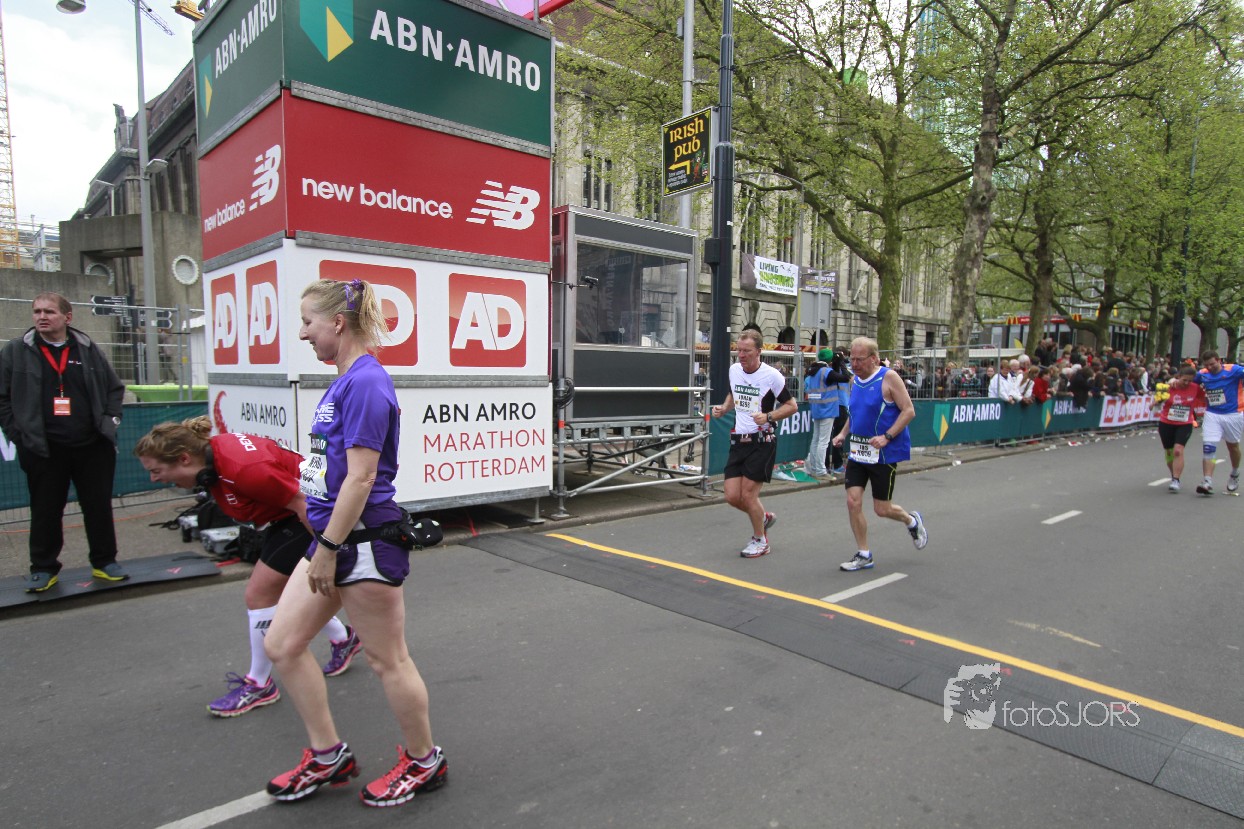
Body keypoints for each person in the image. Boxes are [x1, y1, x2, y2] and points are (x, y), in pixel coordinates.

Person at [263, 278, 447, 807]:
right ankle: (328, 756)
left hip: (359, 541)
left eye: (308, 322)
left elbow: (362, 477)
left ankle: (424, 762)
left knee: (389, 661)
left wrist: (327, 549)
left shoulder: (366, 382)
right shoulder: (345, 381)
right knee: (282, 645)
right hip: (331, 539)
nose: (303, 334)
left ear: (338, 323)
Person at [135, 417, 363, 717]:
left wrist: (328, 553)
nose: (154, 479)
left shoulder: (244, 468)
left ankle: (259, 684)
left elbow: (302, 502)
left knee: (260, 595)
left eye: (156, 471)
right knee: (283, 594)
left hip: (308, 513)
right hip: (286, 515)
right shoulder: (214, 458)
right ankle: (343, 638)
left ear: (184, 459)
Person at [0, 292, 127, 593]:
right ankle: (43, 568)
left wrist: (108, 424)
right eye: (37, 312)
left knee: (98, 506)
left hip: (92, 446)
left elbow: (114, 389)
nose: (42, 317)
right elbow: (2, 397)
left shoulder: (87, 348)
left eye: (49, 312)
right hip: (43, 448)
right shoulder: (16, 351)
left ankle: (105, 561)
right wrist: (20, 434)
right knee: (45, 510)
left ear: (67, 317)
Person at [831, 337, 928, 572]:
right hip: (858, 452)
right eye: (851, 359)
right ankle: (864, 554)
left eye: (859, 359)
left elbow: (908, 411)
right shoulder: (855, 380)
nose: (854, 364)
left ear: (874, 358)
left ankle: (911, 521)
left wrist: (887, 436)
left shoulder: (889, 378)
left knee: (882, 509)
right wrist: (843, 433)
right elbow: (855, 413)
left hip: (884, 454)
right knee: (853, 501)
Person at [711, 329, 798, 558]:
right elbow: (734, 394)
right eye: (738, 350)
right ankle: (762, 517)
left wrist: (769, 416)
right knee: (732, 496)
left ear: (759, 351)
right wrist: (724, 408)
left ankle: (760, 540)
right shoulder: (734, 370)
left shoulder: (772, 376)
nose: (741, 355)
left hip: (762, 441)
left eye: (746, 351)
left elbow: (792, 406)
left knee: (748, 495)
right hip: (739, 440)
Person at [1192, 350, 1244, 495]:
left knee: (1233, 447)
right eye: (1207, 365)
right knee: (1208, 447)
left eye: (1212, 364)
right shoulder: (1202, 374)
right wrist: (1174, 381)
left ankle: (1234, 473)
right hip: (1212, 413)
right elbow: (1188, 381)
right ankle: (1207, 481)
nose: (1210, 367)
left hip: (1233, 414)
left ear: (1219, 360)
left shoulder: (1233, 370)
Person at [1153, 367, 1207, 492]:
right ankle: (1174, 475)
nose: (1187, 383)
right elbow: (1157, 402)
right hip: (1166, 422)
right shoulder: (1169, 386)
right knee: (1170, 452)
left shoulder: (1195, 388)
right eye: (1184, 380)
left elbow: (1205, 399)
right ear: (1179, 377)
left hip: (1185, 423)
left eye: (1190, 381)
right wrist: (1154, 403)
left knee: (1178, 450)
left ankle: (1176, 479)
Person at [802, 348, 849, 478]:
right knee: (823, 441)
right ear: (829, 360)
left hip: (817, 408)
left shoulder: (812, 372)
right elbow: (845, 378)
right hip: (828, 409)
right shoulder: (826, 372)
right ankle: (821, 470)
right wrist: (841, 363)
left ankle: (813, 467)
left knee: (816, 440)